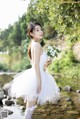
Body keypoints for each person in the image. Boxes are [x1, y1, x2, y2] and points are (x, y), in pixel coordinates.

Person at [8, 22, 60, 119]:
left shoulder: (35, 44)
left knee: (30, 106)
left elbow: (39, 65)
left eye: (41, 29)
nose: (41, 31)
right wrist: (39, 82)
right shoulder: (36, 45)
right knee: (30, 107)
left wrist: (46, 64)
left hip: (38, 74)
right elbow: (35, 65)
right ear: (31, 33)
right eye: (37, 30)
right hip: (36, 77)